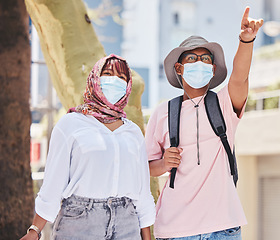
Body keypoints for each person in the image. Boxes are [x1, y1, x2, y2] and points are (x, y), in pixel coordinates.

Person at [145, 7, 263, 240]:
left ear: (213, 69)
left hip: (223, 227)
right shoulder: (163, 112)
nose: (199, 63)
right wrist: (163, 163)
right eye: (192, 58)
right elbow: (146, 166)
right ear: (179, 68)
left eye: (205, 59)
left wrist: (246, 40)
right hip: (175, 229)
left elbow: (240, 77)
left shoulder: (224, 104)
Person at [21, 54, 155, 240]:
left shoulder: (133, 132)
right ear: (95, 79)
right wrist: (35, 230)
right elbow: (53, 184)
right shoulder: (70, 124)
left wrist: (147, 237)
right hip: (80, 221)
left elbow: (142, 192)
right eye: (108, 74)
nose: (115, 81)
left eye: (122, 78)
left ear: (128, 86)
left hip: (127, 222)